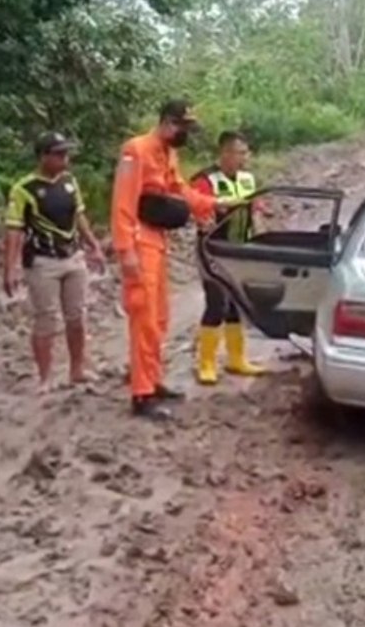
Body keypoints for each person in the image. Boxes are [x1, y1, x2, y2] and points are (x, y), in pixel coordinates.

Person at [110, 99, 234, 421]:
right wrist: (126, 251)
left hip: (157, 240)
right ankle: (141, 393)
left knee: (160, 317)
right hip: (139, 241)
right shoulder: (135, 151)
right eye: (182, 127)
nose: (185, 134)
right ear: (167, 122)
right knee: (144, 317)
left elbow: (180, 189)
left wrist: (213, 203)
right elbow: (123, 203)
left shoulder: (169, 153)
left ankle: (153, 380)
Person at [3, 132, 105, 391]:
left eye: (66, 153)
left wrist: (94, 245)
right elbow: (14, 229)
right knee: (46, 319)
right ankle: (45, 377)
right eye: (59, 154)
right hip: (42, 261)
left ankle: (77, 369)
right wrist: (10, 267)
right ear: (43, 156)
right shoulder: (24, 189)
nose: (64, 158)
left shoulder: (69, 181)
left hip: (73, 256)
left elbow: (79, 217)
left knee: (77, 316)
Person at [190, 131, 268, 385]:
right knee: (217, 302)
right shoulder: (204, 180)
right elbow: (198, 211)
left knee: (237, 304)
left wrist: (261, 241)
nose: (244, 158)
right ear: (224, 153)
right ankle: (207, 363)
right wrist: (209, 215)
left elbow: (257, 212)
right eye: (239, 153)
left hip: (240, 250)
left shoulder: (248, 179)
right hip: (213, 250)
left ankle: (237, 359)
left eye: (246, 153)